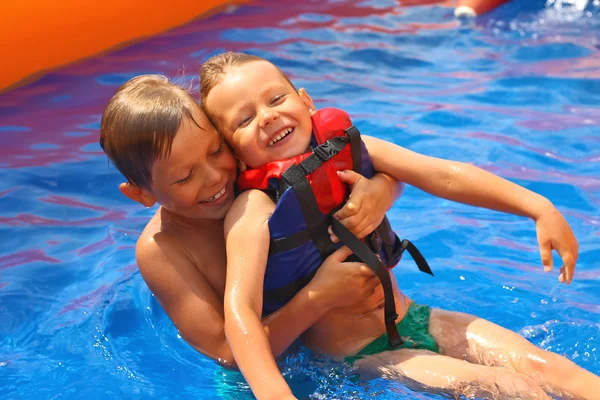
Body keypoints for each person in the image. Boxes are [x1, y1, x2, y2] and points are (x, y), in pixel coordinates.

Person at [199, 51, 599, 400]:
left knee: (551, 369)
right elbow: (241, 312)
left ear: (306, 101)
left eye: (276, 98)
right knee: (512, 389)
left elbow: (443, 175)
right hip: (361, 353)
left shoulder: (355, 149)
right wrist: (275, 394)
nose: (267, 117)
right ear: (234, 153)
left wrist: (538, 206)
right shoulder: (253, 210)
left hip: (417, 318)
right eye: (245, 119)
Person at [99, 74, 403, 368]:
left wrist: (381, 191)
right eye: (185, 177)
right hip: (277, 370)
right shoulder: (163, 249)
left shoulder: (256, 170)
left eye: (217, 151)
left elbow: (370, 164)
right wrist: (318, 298)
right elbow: (225, 353)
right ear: (140, 194)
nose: (215, 177)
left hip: (367, 327)